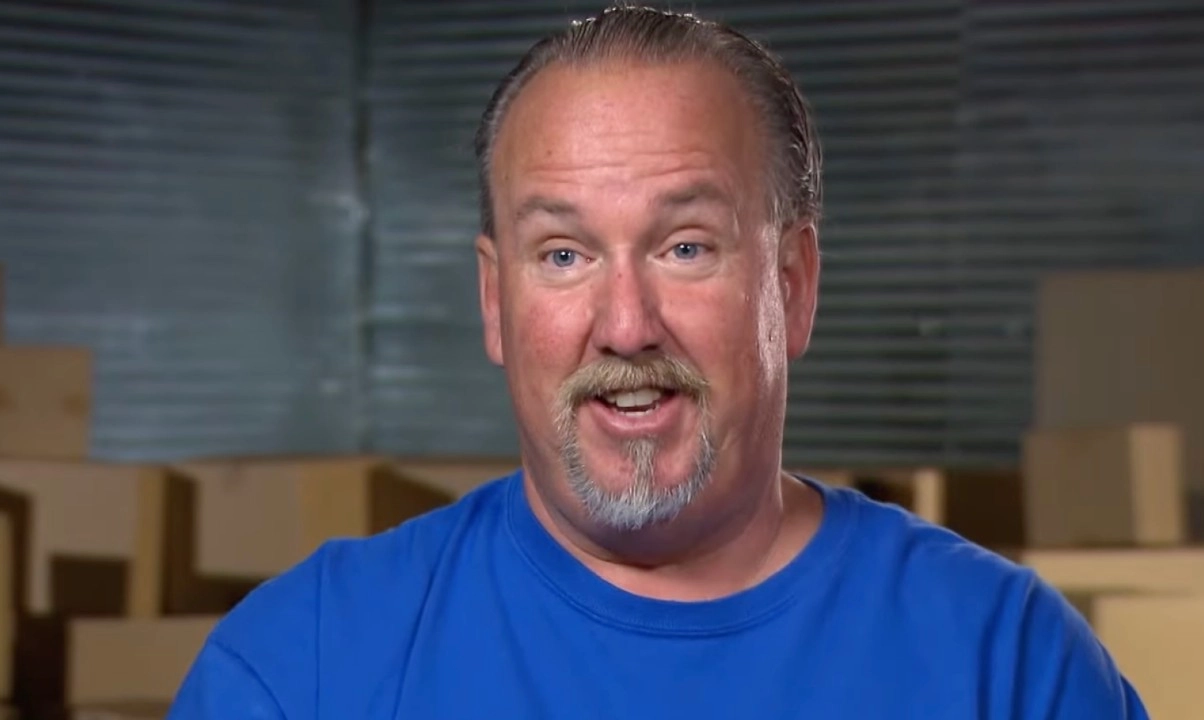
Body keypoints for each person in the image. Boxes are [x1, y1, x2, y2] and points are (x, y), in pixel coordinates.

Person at [168, 6, 1149, 718]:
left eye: (685, 247)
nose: (627, 326)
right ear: (494, 300)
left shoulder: (1005, 665)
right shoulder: (304, 666)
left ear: (792, 285)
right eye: (563, 255)